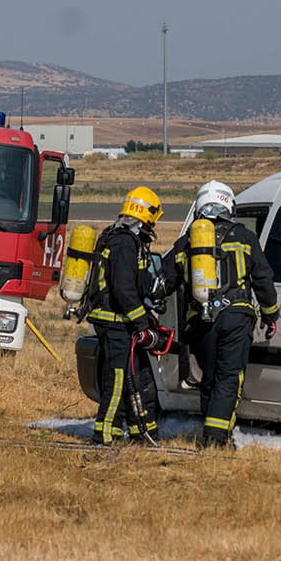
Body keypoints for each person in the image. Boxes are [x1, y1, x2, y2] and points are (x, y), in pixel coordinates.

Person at [163, 180, 278, 450]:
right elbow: (263, 278)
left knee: (211, 377)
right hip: (235, 318)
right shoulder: (245, 237)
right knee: (229, 377)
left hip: (201, 323)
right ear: (229, 205)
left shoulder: (188, 241)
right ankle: (215, 440)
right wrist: (271, 315)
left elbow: (165, 280)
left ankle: (218, 435)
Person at [85, 186, 168, 446]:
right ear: (147, 214)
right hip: (115, 321)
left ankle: (138, 431)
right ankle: (105, 433)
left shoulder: (120, 237)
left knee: (135, 375)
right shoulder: (124, 242)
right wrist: (140, 321)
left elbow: (135, 282)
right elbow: (122, 287)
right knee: (118, 377)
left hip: (119, 321)